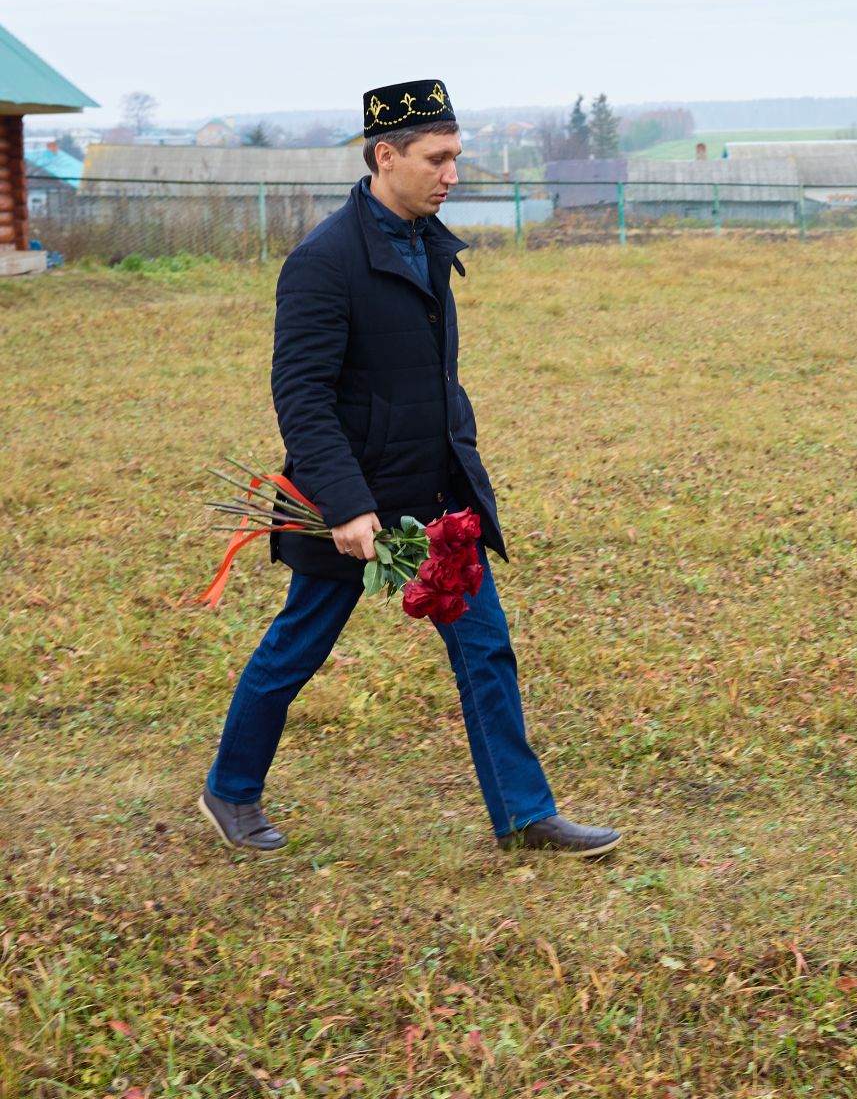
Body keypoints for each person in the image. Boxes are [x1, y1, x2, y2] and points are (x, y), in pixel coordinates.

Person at [197, 79, 619, 858]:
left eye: (456, 156)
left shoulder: (427, 241)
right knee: (297, 647)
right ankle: (229, 790)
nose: (452, 173)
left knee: (485, 648)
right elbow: (303, 397)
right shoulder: (324, 262)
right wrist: (347, 507)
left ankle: (525, 816)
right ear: (386, 157)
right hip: (355, 505)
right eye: (438, 158)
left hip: (437, 495)